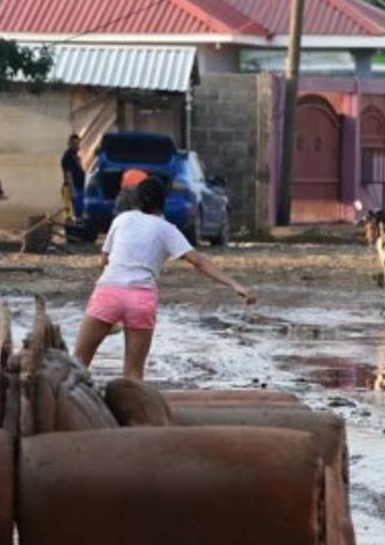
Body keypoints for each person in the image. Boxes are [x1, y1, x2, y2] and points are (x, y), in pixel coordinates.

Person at [73, 177, 256, 380]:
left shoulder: (122, 220)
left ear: (136, 200)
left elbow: (104, 260)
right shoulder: (168, 230)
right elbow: (199, 262)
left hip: (109, 293)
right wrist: (235, 284)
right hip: (140, 300)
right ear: (163, 202)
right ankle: (134, 410)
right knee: (134, 374)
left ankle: (68, 408)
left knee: (78, 364)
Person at [61, 134, 85, 220]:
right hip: (71, 189)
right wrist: (73, 191)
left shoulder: (75, 156)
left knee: (79, 213)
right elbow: (68, 174)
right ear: (69, 144)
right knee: (71, 216)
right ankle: (71, 232)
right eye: (74, 144)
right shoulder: (68, 156)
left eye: (78, 143)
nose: (77, 146)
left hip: (79, 188)